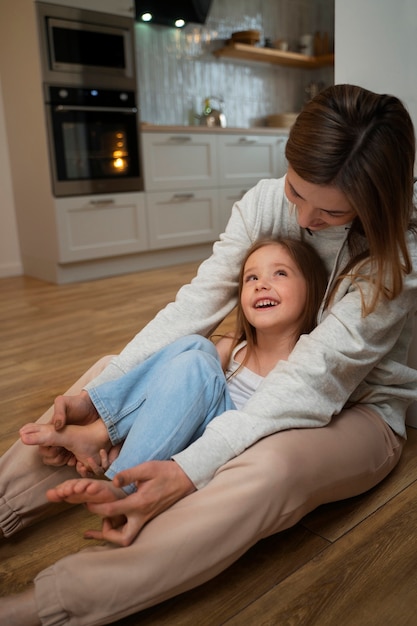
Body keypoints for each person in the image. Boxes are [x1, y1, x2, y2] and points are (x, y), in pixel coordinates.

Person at [1, 83, 417, 626]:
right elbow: (193, 308)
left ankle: (52, 604)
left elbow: (315, 381)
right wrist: (100, 401)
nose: (304, 219)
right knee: (111, 374)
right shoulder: (267, 203)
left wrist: (186, 471)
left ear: (375, 204)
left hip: (356, 410)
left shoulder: (399, 253)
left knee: (271, 465)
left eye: (332, 212)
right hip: (252, 382)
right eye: (297, 192)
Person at [18, 237, 328, 491]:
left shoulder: (305, 359)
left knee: (197, 361)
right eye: (251, 277)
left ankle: (120, 478)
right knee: (196, 347)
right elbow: (174, 390)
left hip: (227, 447)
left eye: (280, 273)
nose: (262, 284)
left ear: (313, 288)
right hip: (187, 433)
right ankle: (104, 431)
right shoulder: (233, 347)